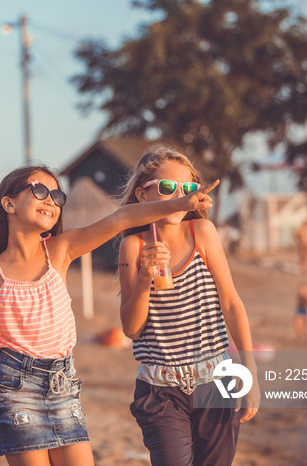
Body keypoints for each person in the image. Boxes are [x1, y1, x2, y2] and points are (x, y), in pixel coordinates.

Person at [0, 164, 217, 466]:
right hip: (14, 387)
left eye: (57, 196)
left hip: (63, 384)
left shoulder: (60, 250)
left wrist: (181, 204)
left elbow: (121, 218)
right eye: (39, 191)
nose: (50, 200)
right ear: (9, 203)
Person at [117, 145, 260, 466]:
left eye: (188, 188)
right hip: (160, 391)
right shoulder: (133, 246)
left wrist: (249, 371)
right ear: (142, 194)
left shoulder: (203, 232)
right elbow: (131, 328)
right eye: (168, 188)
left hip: (216, 383)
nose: (179, 195)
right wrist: (144, 278)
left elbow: (232, 302)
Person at [293, 281, 307, 347]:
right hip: (300, 311)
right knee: (296, 325)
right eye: (300, 289)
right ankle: (301, 337)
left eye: (303, 289)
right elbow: (297, 305)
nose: (301, 291)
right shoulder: (299, 297)